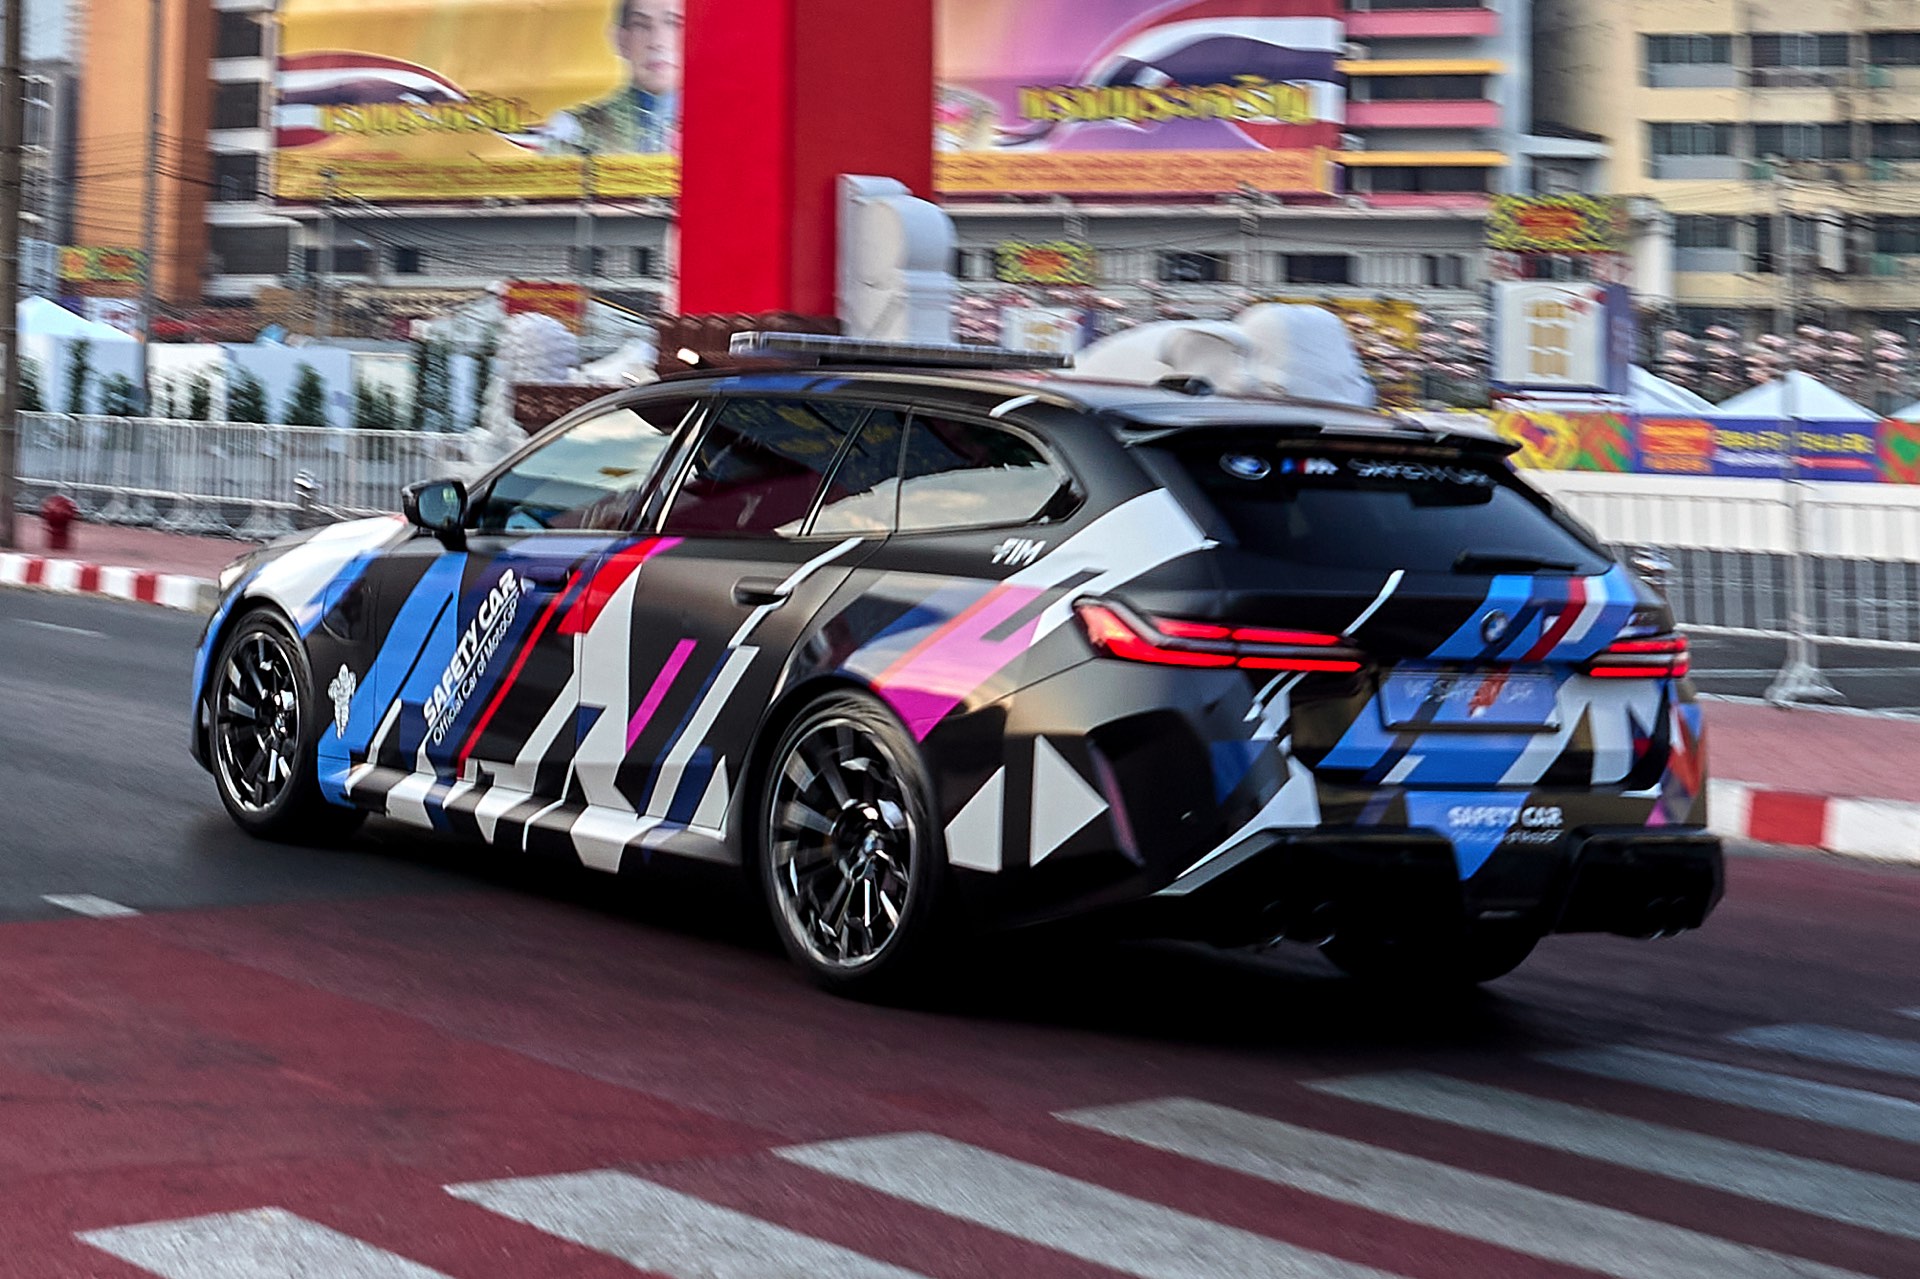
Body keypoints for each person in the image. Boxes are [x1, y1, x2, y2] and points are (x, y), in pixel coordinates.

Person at [543, 0, 683, 155]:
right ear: (621, 40)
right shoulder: (577, 131)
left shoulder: (707, 123)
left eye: (673, 23)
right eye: (640, 25)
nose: (657, 41)